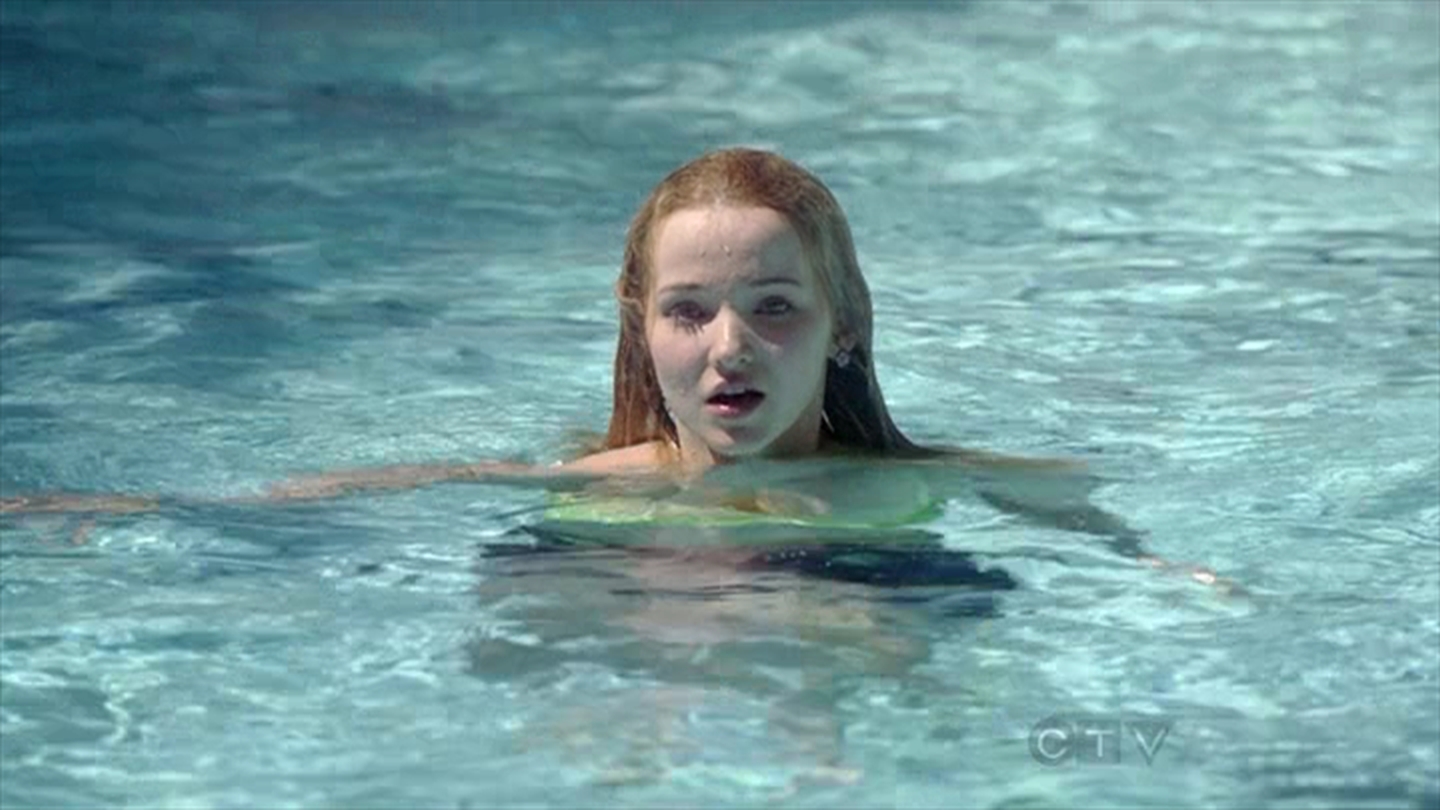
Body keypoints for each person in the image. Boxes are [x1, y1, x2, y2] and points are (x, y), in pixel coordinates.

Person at [0, 147, 1224, 587]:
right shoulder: (600, 487)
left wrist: (1169, 567)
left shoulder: (928, 480)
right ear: (642, 329)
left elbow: (1094, 516)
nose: (729, 346)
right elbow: (361, 493)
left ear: (844, 324)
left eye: (775, 309)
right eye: (689, 312)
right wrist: (146, 508)